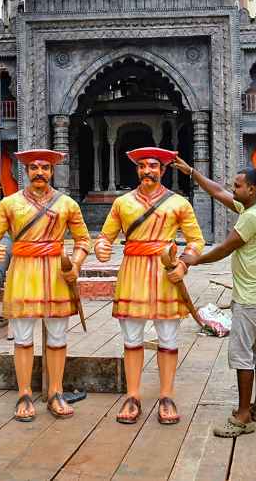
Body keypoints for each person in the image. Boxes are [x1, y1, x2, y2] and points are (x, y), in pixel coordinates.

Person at [94, 147, 204, 426]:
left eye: (153, 166)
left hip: (165, 273)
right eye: (142, 166)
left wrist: (183, 264)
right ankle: (132, 396)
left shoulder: (178, 203)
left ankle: (166, 396)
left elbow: (196, 241)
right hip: (132, 270)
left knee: (167, 338)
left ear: (163, 170)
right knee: (132, 338)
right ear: (137, 170)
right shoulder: (122, 203)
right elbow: (106, 236)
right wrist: (102, 246)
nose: (147, 171)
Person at [0, 149, 90, 422]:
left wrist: (75, 265)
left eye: (45, 167)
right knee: (22, 337)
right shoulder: (9, 204)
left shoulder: (67, 204)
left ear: (52, 171)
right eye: (33, 168)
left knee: (57, 337)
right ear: (26, 172)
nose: (39, 172)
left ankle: (55, 392)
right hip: (24, 271)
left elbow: (83, 240)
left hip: (56, 272)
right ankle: (24, 393)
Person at [171, 158, 256, 437]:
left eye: (237, 186)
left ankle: (242, 416)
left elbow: (225, 248)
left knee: (242, 355)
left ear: (251, 189)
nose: (233, 189)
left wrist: (194, 260)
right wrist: (191, 172)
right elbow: (217, 192)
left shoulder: (252, 217)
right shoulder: (252, 207)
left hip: (250, 297)